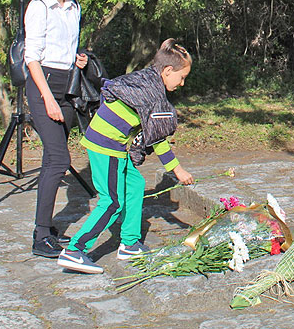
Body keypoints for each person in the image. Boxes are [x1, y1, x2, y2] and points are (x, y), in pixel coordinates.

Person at [58, 39, 195, 274]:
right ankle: (75, 250)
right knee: (111, 202)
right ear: (167, 70)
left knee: (135, 184)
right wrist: (177, 170)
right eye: (181, 77)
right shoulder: (153, 95)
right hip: (106, 145)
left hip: (110, 143)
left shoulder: (146, 79)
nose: (182, 83)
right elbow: (158, 139)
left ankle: (129, 244)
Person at [24, 0, 88, 258]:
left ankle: (45, 229)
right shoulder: (39, 7)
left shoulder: (74, 8)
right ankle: (40, 235)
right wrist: (48, 99)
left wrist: (78, 59)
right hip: (43, 87)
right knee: (60, 160)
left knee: (53, 160)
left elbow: (66, 46)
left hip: (67, 85)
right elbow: (32, 58)